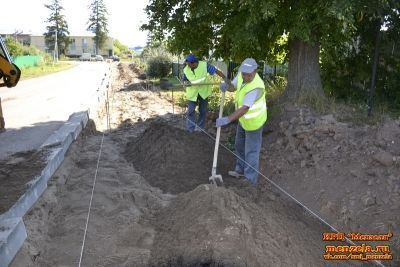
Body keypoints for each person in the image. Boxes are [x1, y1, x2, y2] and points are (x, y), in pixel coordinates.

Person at [216, 58, 267, 185]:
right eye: (244, 74)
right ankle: (240, 170)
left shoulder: (256, 87)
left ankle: (250, 180)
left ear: (255, 71)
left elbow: (244, 109)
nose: (246, 77)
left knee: (251, 151)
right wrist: (227, 85)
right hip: (244, 121)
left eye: (249, 75)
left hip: (254, 122)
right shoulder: (241, 75)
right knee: (239, 145)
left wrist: (227, 119)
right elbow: (233, 87)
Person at [183, 54, 230, 132]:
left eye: (189, 64)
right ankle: (190, 129)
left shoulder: (204, 65)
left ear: (194, 63)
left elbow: (216, 71)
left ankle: (200, 128)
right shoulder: (186, 69)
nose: (187, 66)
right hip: (192, 93)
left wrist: (225, 79)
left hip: (203, 92)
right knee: (190, 111)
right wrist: (185, 82)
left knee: (203, 111)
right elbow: (184, 79)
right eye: (187, 64)